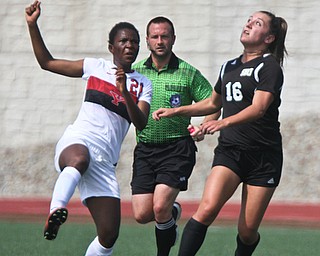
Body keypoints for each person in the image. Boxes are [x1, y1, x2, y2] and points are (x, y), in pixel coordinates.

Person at [153, 11, 288, 256]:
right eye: (249, 20)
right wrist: (184, 114)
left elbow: (258, 109)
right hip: (231, 152)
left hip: (263, 158)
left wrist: (222, 123)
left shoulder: (269, 66)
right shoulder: (229, 66)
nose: (248, 24)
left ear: (269, 38)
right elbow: (214, 104)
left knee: (247, 231)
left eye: (257, 23)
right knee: (206, 210)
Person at [25, 1, 152, 255]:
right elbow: (47, 62)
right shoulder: (96, 67)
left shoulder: (144, 83)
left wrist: (124, 90)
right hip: (78, 141)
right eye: (124, 41)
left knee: (109, 235)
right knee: (79, 159)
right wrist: (32, 25)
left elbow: (141, 122)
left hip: (105, 163)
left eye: (134, 42)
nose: (130, 46)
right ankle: (56, 209)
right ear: (111, 47)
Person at [130, 16, 219, 256]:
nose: (160, 41)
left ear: (173, 39)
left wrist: (204, 126)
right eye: (155, 37)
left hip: (177, 149)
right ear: (147, 41)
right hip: (145, 149)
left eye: (165, 36)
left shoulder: (187, 73)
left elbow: (213, 103)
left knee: (159, 207)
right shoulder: (135, 72)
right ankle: (173, 212)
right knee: (141, 214)